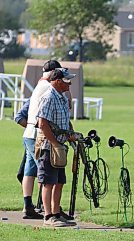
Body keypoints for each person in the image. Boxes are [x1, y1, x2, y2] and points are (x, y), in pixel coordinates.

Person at [14, 60, 63, 219]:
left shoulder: (37, 88)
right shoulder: (49, 89)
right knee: (46, 171)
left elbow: (19, 116)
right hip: (37, 134)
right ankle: (50, 209)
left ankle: (28, 205)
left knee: (30, 170)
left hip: (29, 133)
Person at [36, 68, 77, 227]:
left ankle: (57, 213)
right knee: (48, 182)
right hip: (49, 147)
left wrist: (69, 136)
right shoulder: (48, 98)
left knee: (59, 182)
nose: (70, 83)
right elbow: (43, 124)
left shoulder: (61, 97)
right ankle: (48, 216)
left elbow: (64, 121)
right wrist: (54, 143)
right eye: (67, 80)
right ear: (58, 81)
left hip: (60, 147)